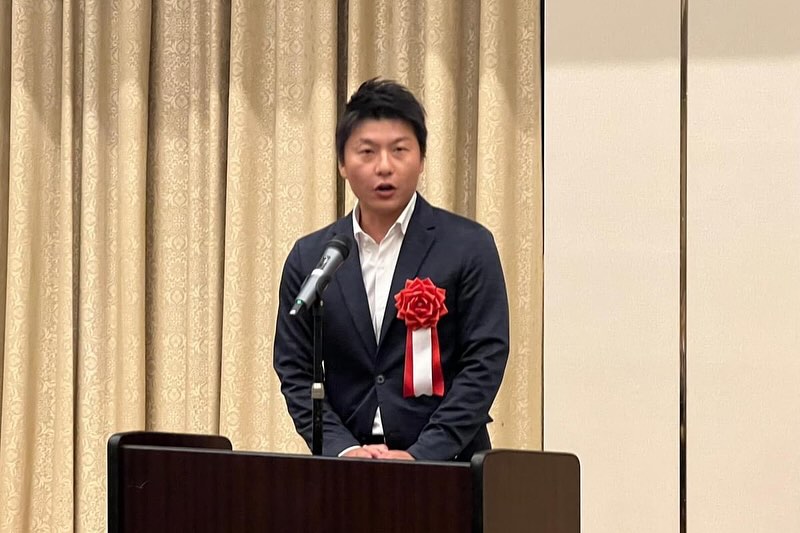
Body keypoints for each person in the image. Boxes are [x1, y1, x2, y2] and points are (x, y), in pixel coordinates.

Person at [273, 78, 509, 461]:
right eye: (367, 152)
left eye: (399, 150)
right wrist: (342, 449)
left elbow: (484, 361)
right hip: (347, 468)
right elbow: (295, 368)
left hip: (447, 465)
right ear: (342, 163)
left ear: (421, 159)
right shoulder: (312, 256)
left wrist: (422, 454)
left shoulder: (468, 246)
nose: (384, 167)